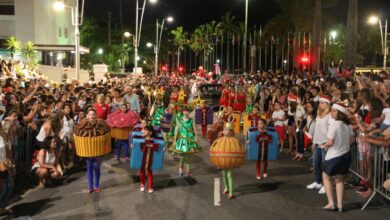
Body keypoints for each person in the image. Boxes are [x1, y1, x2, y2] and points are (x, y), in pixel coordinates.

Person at [320, 102, 353, 212]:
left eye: (334, 111)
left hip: (334, 156)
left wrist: (323, 145)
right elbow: (352, 140)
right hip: (346, 155)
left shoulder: (334, 124)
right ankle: (340, 205)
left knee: (326, 177)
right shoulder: (348, 125)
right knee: (340, 179)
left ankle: (331, 203)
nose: (331, 112)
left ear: (340, 113)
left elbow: (329, 142)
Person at [306, 95, 332, 194]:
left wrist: (327, 142)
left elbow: (331, 129)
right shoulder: (318, 113)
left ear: (327, 104)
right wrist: (314, 142)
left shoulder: (330, 115)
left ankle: (327, 185)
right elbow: (317, 129)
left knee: (325, 165)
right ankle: (318, 182)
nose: (320, 104)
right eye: (320, 103)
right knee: (316, 163)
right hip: (317, 142)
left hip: (325, 143)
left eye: (322, 103)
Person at [173, 107, 201, 176]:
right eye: (185, 111)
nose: (186, 112)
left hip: (190, 140)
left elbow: (194, 129)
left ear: (189, 112)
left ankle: (188, 172)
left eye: (187, 111)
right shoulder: (180, 120)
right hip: (182, 140)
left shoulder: (192, 120)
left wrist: (196, 138)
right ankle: (180, 170)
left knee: (189, 157)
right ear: (183, 112)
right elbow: (176, 129)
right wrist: (174, 139)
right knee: (182, 157)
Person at [84, 109, 102, 193]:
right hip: (88, 150)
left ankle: (97, 186)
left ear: (96, 115)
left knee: (96, 166)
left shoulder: (100, 124)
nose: (92, 116)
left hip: (97, 150)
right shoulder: (84, 124)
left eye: (93, 114)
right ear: (87, 115)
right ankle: (90, 187)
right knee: (89, 167)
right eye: (90, 114)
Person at [139, 126, 159, 193]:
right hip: (142, 158)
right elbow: (137, 143)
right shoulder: (142, 138)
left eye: (146, 130)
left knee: (150, 172)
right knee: (142, 172)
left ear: (150, 132)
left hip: (150, 158)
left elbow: (157, 146)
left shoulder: (154, 139)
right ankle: (142, 184)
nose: (144, 131)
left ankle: (150, 186)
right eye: (144, 130)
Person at [0, 121, 14, 216]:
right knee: (3, 189)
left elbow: (6, 150)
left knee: (9, 185)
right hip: (0, 166)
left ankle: (2, 208)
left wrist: (8, 162)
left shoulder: (2, 135)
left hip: (4, 165)